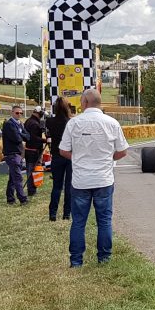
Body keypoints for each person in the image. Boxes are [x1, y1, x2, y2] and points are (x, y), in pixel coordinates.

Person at [59, 89, 128, 267]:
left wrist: (79, 158)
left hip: (81, 180)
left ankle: (76, 261)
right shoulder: (112, 123)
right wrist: (108, 158)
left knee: (78, 222)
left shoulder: (74, 123)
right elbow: (123, 151)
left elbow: (63, 150)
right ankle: (104, 259)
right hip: (103, 179)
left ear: (85, 102)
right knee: (104, 221)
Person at [46, 97, 74, 222]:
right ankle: (67, 213)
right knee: (69, 186)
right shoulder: (70, 122)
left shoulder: (50, 121)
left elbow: (48, 135)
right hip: (69, 155)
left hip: (57, 155)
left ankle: (52, 213)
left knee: (56, 186)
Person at [2, 105, 29, 205]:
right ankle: (22, 198)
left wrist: (20, 133)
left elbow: (28, 137)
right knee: (17, 177)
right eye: (17, 113)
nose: (19, 115)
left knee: (13, 177)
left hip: (18, 153)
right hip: (12, 153)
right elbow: (17, 139)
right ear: (12, 113)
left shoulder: (20, 124)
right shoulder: (9, 124)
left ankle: (10, 198)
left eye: (21, 113)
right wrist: (21, 135)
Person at [23, 107, 47, 197]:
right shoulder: (34, 123)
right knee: (33, 170)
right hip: (34, 150)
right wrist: (45, 140)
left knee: (31, 170)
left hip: (29, 149)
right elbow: (34, 138)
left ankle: (32, 189)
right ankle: (31, 190)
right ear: (38, 113)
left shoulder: (28, 121)